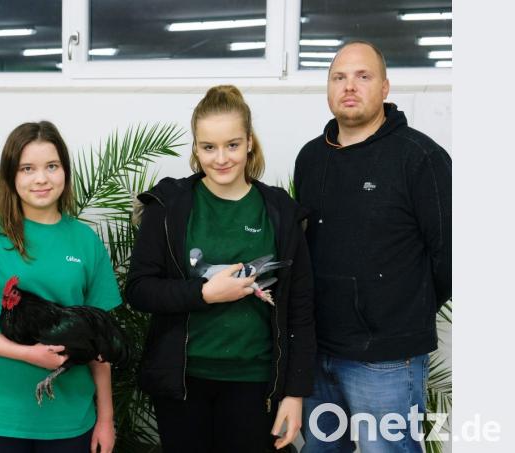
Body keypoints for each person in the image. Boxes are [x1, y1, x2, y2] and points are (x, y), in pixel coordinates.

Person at [125, 85, 316, 452]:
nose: (221, 158)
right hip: (182, 383)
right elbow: (139, 289)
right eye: (208, 147)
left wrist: (294, 394)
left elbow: (301, 309)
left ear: (249, 143)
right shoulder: (167, 205)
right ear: (195, 148)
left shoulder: (279, 211)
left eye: (232, 144)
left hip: (254, 383)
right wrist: (204, 294)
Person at [294, 41, 452, 452]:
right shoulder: (310, 158)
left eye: (363, 76)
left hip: (386, 360)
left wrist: (400, 308)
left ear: (385, 87)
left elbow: (450, 255)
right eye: (339, 77)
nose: (350, 86)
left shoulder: (421, 158)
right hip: (317, 352)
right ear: (328, 88)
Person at [0, 121, 120, 453]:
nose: (41, 179)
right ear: (11, 176)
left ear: (65, 171)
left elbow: (101, 340)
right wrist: (26, 353)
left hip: (69, 417)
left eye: (51, 166)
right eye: (28, 168)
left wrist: (106, 419)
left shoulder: (85, 241)